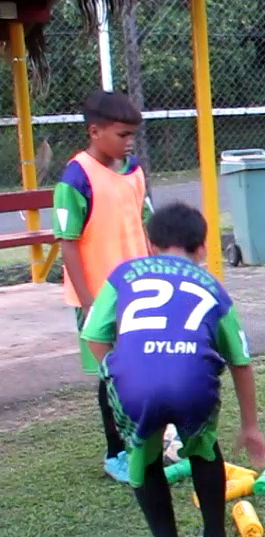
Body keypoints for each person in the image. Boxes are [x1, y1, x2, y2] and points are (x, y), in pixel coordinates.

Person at [80, 202, 265, 537]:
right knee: (203, 449)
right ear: (202, 248)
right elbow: (241, 361)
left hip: (136, 385)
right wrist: (250, 425)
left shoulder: (124, 274)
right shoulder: (213, 286)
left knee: (144, 461)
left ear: (150, 245)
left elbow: (92, 334)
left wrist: (117, 369)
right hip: (193, 383)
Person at [55, 90, 154, 484]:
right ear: (95, 132)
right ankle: (116, 453)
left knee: (143, 367)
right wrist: (90, 301)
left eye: (132, 135)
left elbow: (143, 229)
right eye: (122, 134)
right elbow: (68, 243)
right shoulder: (75, 177)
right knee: (111, 373)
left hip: (140, 292)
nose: (128, 142)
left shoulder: (134, 171)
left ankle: (145, 441)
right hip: (99, 296)